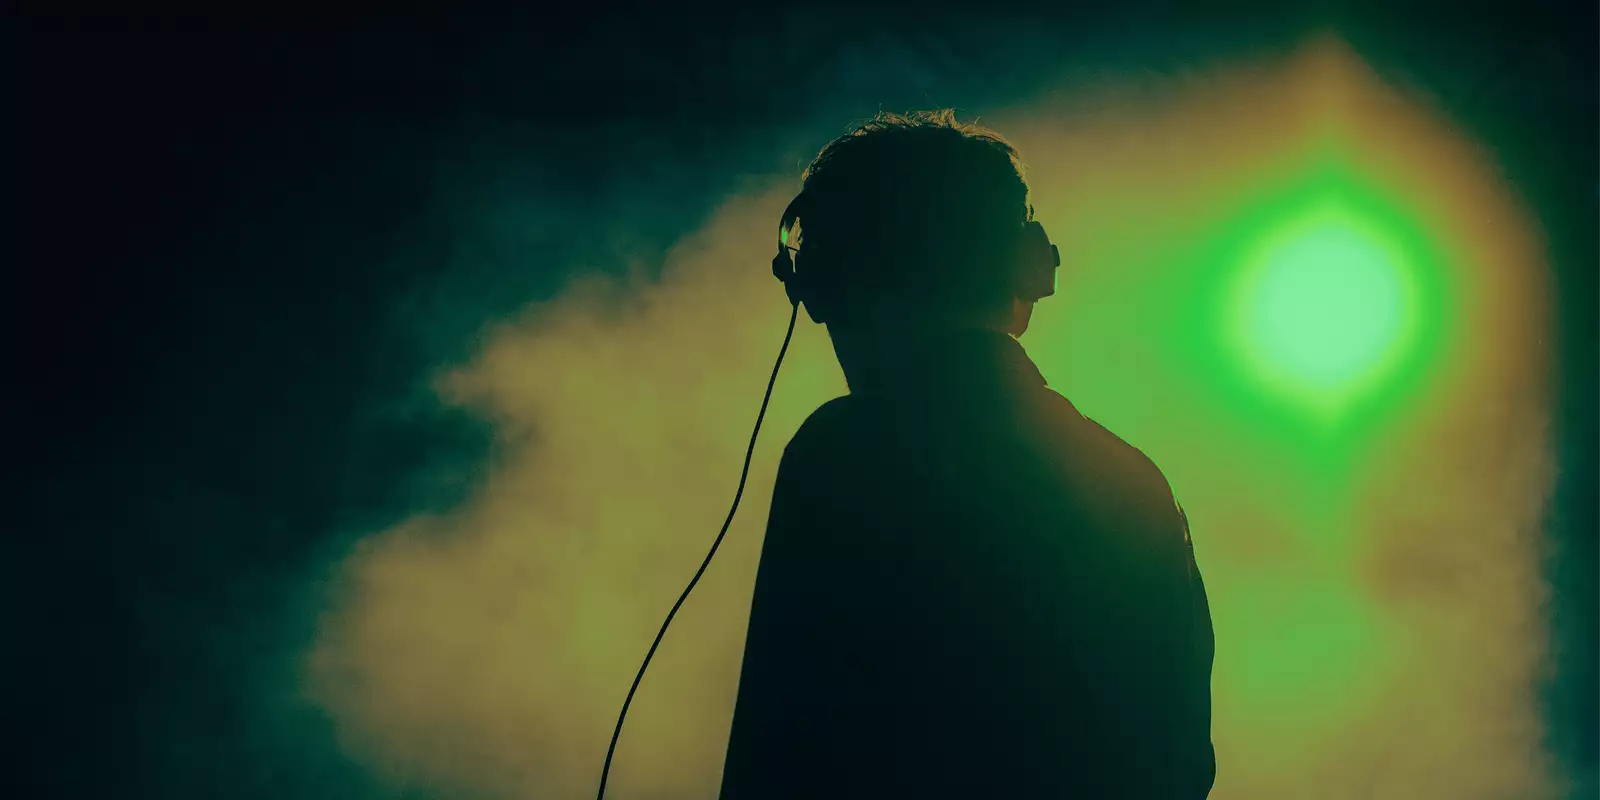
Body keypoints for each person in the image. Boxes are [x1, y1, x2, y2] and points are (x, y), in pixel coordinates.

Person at [718, 110, 1215, 798]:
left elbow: (779, 756)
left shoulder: (841, 455)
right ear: (1025, 274)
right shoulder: (1129, 481)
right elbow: (1178, 764)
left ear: (830, 280)